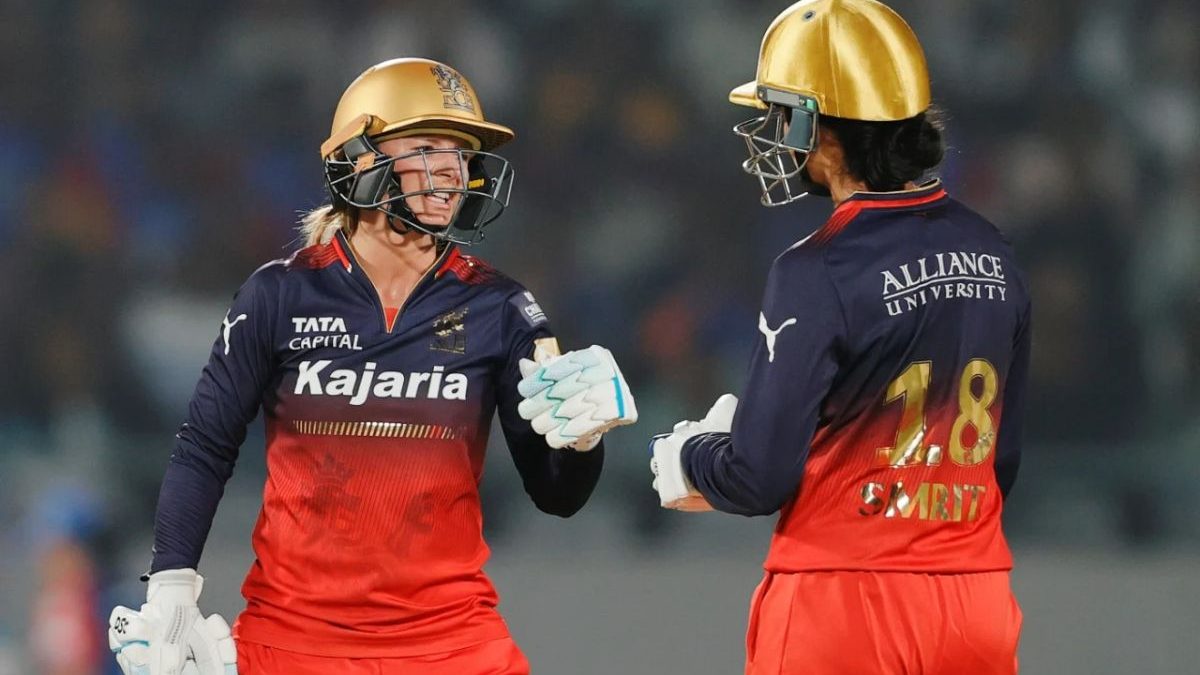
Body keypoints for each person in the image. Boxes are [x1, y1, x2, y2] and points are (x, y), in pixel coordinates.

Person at [107, 57, 637, 675]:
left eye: (460, 154)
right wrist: (171, 585)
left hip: (454, 644)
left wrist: (582, 440)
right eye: (426, 147)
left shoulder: (501, 308)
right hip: (291, 641)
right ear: (357, 159)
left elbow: (557, 496)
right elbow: (204, 447)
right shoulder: (280, 295)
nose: (450, 172)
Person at [649, 1, 1029, 673]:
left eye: (780, 114)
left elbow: (758, 475)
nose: (770, 134)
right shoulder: (993, 251)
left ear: (821, 131)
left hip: (844, 605)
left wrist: (691, 455)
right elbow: (998, 465)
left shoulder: (816, 267)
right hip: (976, 600)